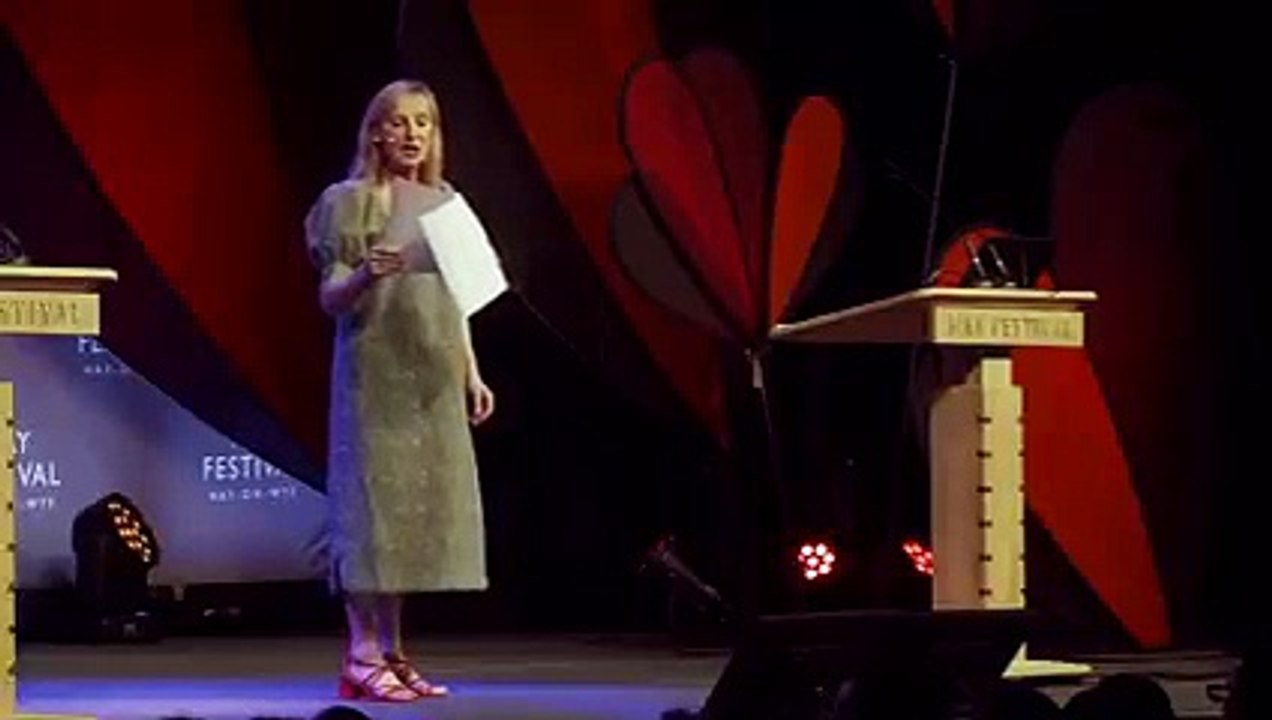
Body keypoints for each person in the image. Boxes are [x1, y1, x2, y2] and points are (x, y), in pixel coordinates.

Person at [303, 79, 496, 703]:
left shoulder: (443, 203)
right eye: (400, 121)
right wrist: (365, 272)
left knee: (411, 521)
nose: (412, 133)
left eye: (424, 122)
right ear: (376, 131)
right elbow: (329, 297)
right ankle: (359, 654)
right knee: (372, 516)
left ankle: (392, 649)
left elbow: (460, 297)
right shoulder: (349, 201)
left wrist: (471, 372)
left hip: (431, 375)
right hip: (374, 378)